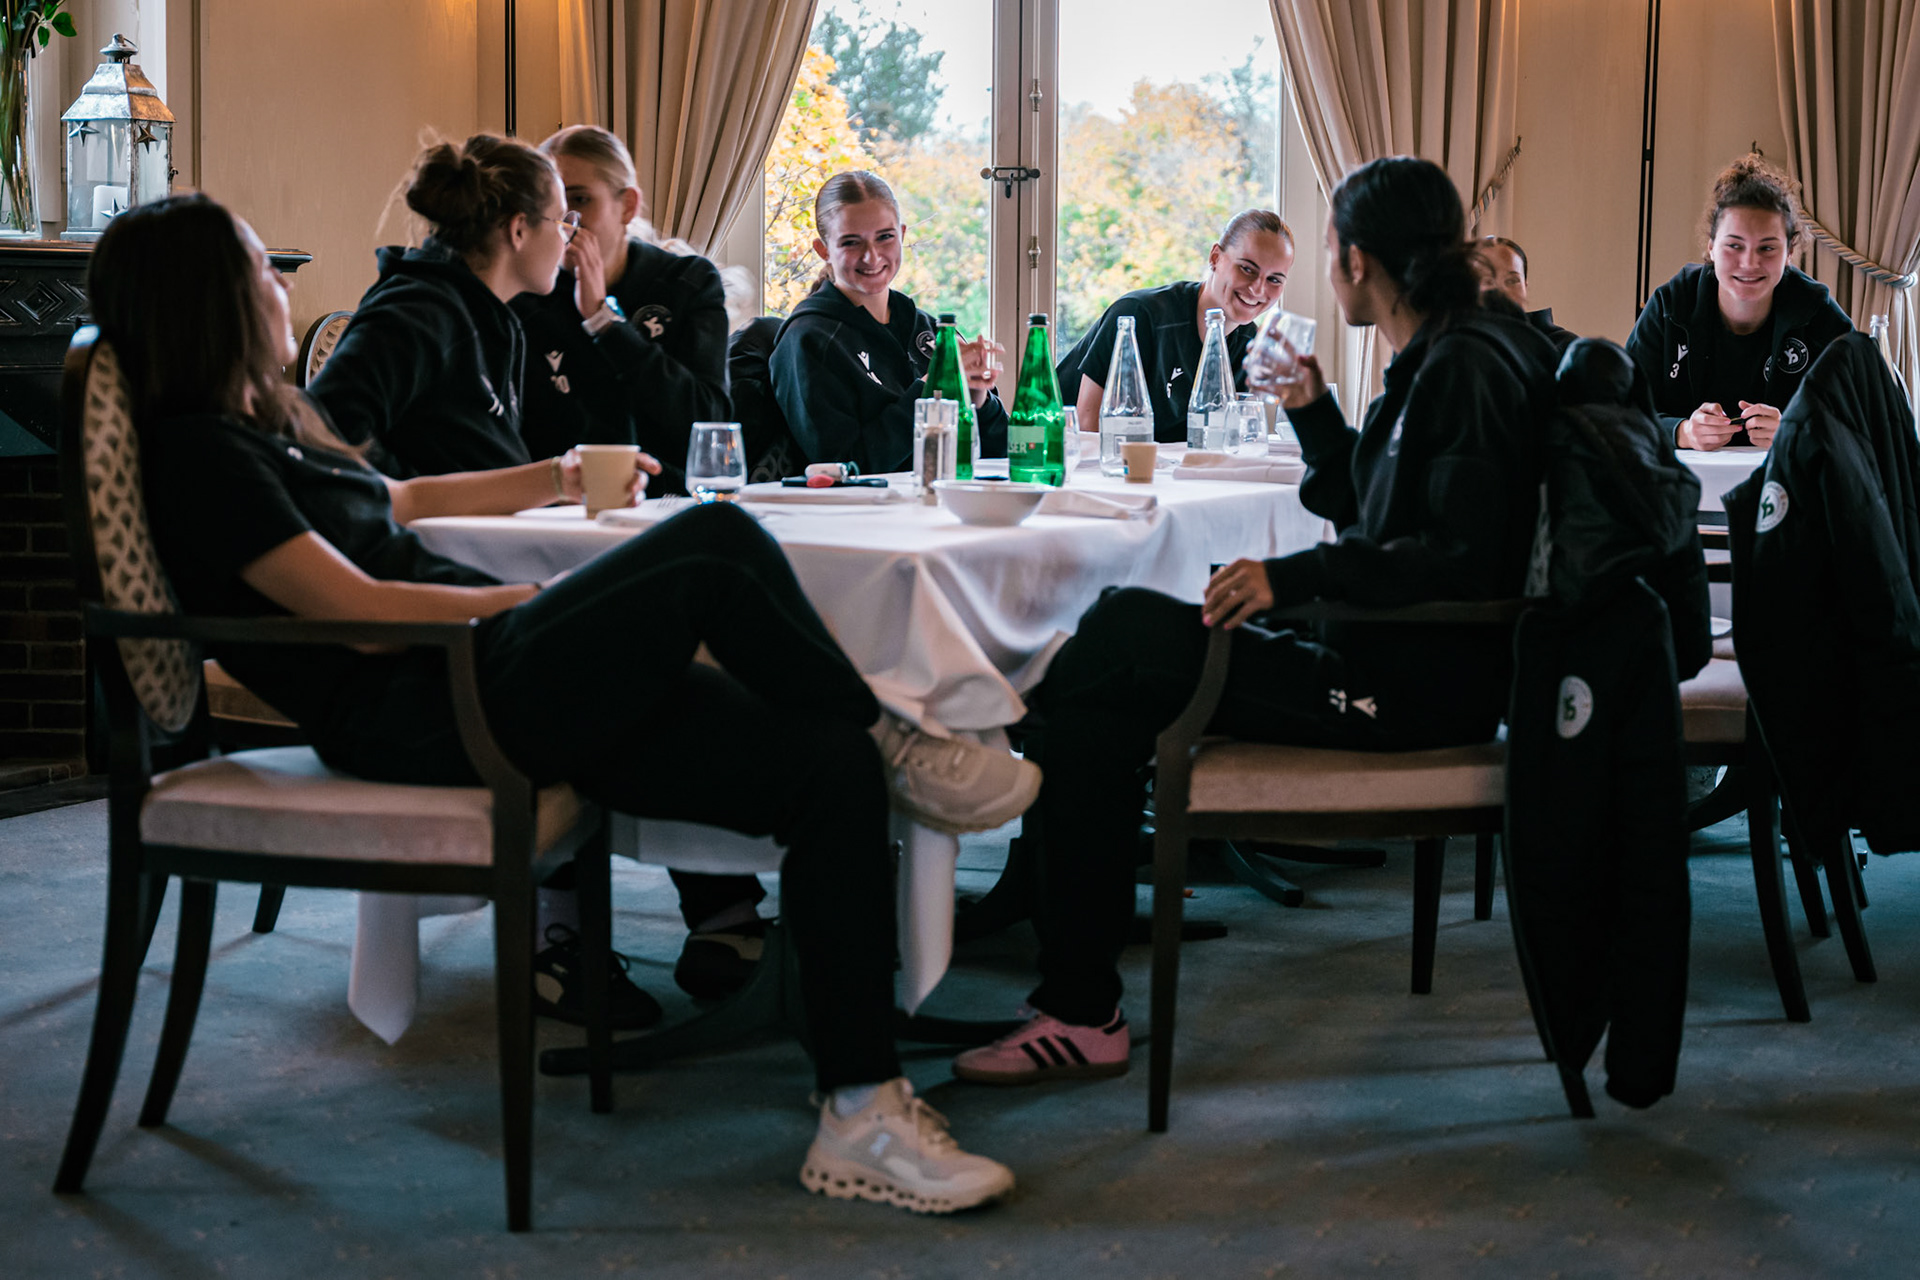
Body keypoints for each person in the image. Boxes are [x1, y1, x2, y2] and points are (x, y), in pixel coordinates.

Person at [96, 190, 1017, 1213]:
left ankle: (860, 1109)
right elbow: (356, 614)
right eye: (260, 266)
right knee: (714, 542)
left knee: (826, 765)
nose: (280, 281)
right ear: (207, 299)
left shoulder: (271, 428)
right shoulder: (200, 454)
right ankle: (901, 740)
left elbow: (402, 499)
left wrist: (553, 476)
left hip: (472, 677)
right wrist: (527, 602)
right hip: (433, 706)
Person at [951, 157, 1558, 1085]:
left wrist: (1290, 576)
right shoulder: (1448, 348)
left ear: (1356, 260)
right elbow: (1375, 514)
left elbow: (1455, 561)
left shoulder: (1462, 366)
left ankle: (1072, 989)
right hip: (1386, 658)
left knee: (1115, 651)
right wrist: (1313, 411)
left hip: (1404, 693)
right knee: (1113, 646)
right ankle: (1073, 971)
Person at [307, 134, 552, 478]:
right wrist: (419, 493)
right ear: (519, 230)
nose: (568, 239)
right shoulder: (417, 313)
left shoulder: (493, 318)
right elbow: (323, 427)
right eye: (562, 222)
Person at [511, 125, 732, 495]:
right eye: (548, 205)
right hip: (559, 507)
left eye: (580, 199)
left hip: (668, 501)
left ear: (627, 206)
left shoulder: (687, 282)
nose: (565, 221)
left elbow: (708, 427)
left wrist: (604, 321)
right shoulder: (525, 294)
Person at [770, 170, 1007, 473]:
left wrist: (976, 399)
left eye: (885, 237)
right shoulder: (808, 341)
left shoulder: (929, 330)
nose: (872, 257)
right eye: (851, 242)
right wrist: (929, 392)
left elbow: (1002, 453)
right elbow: (840, 465)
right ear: (823, 250)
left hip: (944, 497)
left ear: (902, 235)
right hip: (865, 503)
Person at [1626, 154, 1852, 451]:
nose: (1749, 263)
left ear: (1789, 253)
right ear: (1711, 248)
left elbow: (1866, 418)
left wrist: (1797, 432)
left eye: (1767, 248)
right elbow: (1619, 411)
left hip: (1787, 478)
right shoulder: (1670, 305)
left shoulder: (1819, 313)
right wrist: (1681, 432)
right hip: (1680, 478)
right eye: (1734, 245)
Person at [1054, 210, 1295, 442]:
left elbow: (1230, 441)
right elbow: (1089, 427)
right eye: (1247, 269)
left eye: (1274, 279)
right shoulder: (1138, 315)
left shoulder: (1249, 344)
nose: (1257, 289)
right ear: (1215, 258)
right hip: (1058, 457)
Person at [1475, 235, 1578, 355]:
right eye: (1488, 282)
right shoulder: (1463, 343)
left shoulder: (1565, 347)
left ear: (1525, 286)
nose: (1502, 291)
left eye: (1512, 281)